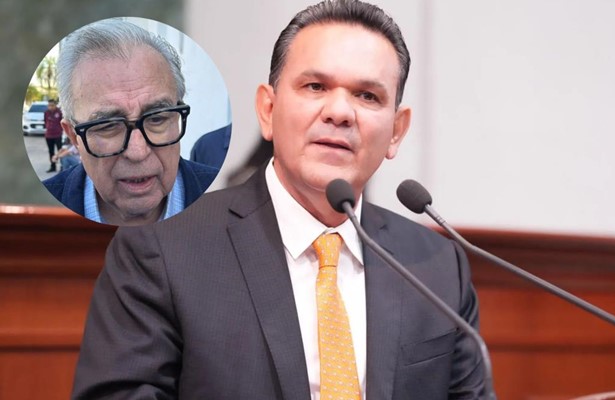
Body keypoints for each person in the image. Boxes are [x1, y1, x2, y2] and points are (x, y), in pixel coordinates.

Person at [73, 1, 487, 399]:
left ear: (396, 131)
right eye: (315, 86)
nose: (340, 112)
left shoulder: (437, 268)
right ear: (267, 110)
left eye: (367, 96)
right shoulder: (160, 250)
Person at [42, 19, 220, 226]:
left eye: (157, 118)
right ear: (73, 136)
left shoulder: (227, 196)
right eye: (108, 125)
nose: (137, 152)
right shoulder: (33, 219)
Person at [44, 99, 63, 173]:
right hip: (49, 135)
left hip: (58, 135)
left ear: (55, 105)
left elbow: (62, 122)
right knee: (51, 152)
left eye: (52, 105)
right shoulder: (46, 112)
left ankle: (62, 166)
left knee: (60, 151)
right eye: (49, 105)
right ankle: (53, 166)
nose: (50, 107)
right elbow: (45, 122)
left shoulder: (59, 112)